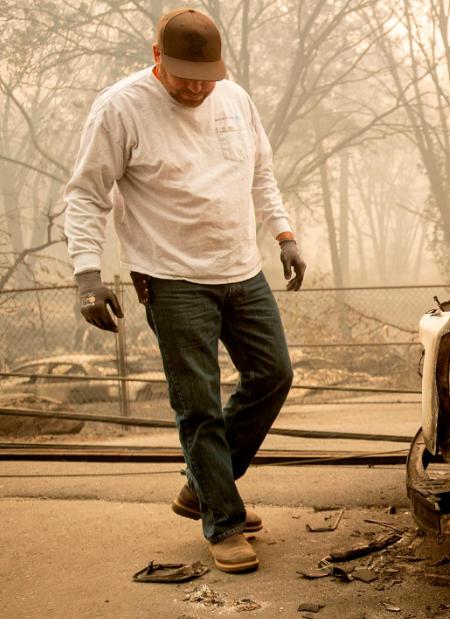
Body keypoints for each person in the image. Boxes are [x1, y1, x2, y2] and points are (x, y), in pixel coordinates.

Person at [63, 7, 306, 574]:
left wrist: (284, 233)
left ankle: (202, 485)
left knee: (274, 374)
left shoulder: (234, 99)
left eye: (207, 76)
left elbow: (261, 173)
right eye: (184, 77)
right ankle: (223, 522)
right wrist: (87, 275)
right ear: (156, 59)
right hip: (170, 278)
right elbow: (87, 195)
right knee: (196, 403)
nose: (197, 88)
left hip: (240, 269)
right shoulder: (120, 108)